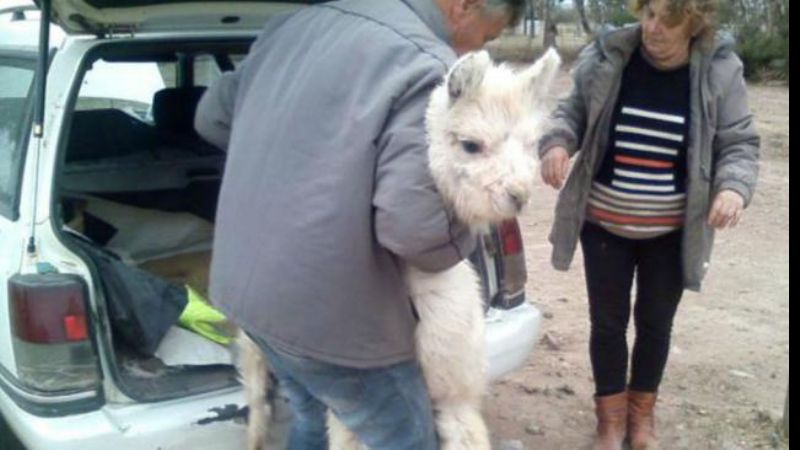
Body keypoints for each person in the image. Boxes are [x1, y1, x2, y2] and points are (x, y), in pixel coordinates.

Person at [194, 1, 523, 449]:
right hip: (329, 319)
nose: (479, 50)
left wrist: (291, 152)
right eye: (486, 37)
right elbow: (415, 233)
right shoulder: (430, 69)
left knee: (312, 419)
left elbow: (210, 116)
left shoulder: (291, 26)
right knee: (404, 437)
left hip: (249, 296)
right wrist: (467, 229)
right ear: (463, 7)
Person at [537, 1, 759, 449]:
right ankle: (610, 422)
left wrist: (733, 188)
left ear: (693, 23)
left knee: (656, 325)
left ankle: (641, 421)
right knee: (607, 324)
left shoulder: (719, 69)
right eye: (648, 12)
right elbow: (571, 112)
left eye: (668, 18)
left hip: (672, 233)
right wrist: (558, 142)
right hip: (604, 226)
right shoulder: (610, 56)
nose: (652, 27)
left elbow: (739, 141)